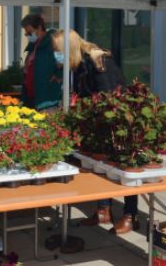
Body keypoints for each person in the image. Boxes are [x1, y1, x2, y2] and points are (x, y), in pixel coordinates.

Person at [51, 30, 140, 234]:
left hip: (118, 123)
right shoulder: (79, 64)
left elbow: (110, 98)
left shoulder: (99, 62)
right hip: (97, 123)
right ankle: (103, 211)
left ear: (70, 49)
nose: (57, 55)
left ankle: (130, 215)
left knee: (123, 168)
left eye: (58, 51)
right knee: (99, 166)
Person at [21, 14, 61, 110]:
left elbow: (63, 62)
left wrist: (58, 75)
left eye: (30, 33)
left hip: (46, 98)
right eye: (26, 34)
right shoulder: (33, 45)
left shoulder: (54, 42)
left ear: (39, 28)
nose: (28, 36)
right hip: (31, 96)